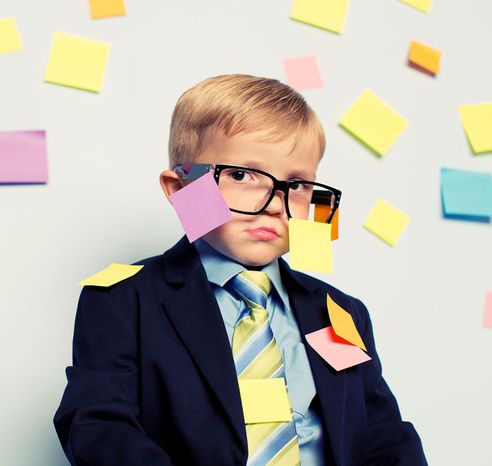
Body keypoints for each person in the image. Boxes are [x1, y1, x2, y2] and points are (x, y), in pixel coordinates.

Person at [53, 74, 426, 465]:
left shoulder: (340, 311)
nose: (274, 204)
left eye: (297, 184)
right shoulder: (123, 300)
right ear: (182, 190)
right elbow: (99, 426)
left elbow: (381, 433)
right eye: (241, 175)